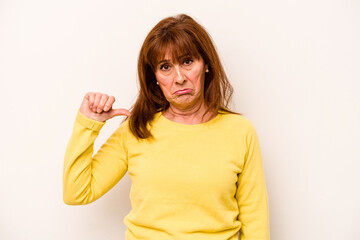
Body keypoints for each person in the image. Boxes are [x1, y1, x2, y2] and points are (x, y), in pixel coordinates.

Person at [63, 14, 270, 240]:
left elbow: (255, 223)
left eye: (187, 61)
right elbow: (77, 193)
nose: (179, 78)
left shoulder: (240, 131)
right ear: (155, 77)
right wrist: (88, 123)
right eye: (165, 67)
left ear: (206, 64)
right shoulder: (137, 129)